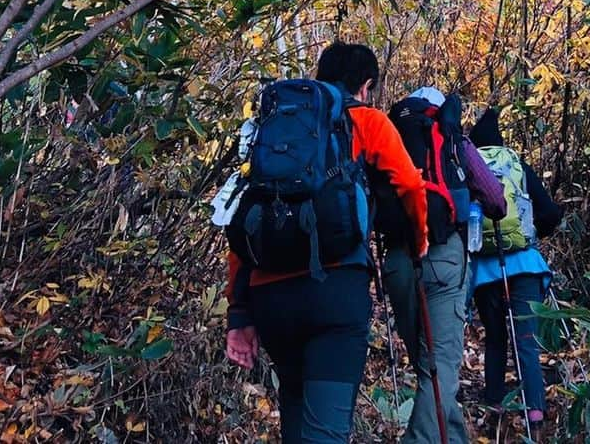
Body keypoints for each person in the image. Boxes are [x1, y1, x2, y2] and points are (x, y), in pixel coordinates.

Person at [225, 43, 429, 444]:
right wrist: (419, 240)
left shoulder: (274, 130)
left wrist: (239, 313)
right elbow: (409, 184)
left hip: (270, 296)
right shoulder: (367, 121)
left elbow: (241, 218)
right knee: (326, 434)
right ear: (366, 86)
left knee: (296, 420)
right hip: (335, 289)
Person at [379, 85, 507, 444]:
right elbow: (496, 200)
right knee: (439, 370)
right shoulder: (454, 142)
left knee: (430, 366)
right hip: (443, 256)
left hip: (398, 261)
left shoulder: (390, 140)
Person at [468, 108, 563, 438]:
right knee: (526, 344)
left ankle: (494, 412)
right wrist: (531, 233)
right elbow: (549, 213)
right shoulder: (516, 165)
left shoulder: (469, 167)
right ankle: (535, 415)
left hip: (484, 272)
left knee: (495, 341)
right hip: (524, 266)